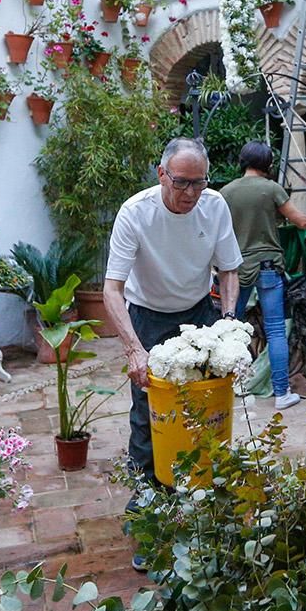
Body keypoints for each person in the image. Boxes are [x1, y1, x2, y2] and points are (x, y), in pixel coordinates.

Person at [102, 137, 243, 499]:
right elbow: (112, 289)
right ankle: (148, 508)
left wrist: (227, 323)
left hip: (197, 314)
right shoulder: (135, 212)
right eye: (181, 182)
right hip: (148, 315)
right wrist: (134, 349)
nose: (191, 192)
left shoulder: (215, 206)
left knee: (206, 406)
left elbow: (228, 270)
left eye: (199, 182)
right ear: (162, 174)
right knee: (148, 413)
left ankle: (203, 493)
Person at [220, 140, 306, 412]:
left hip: (236, 268)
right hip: (268, 267)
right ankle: (281, 393)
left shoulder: (226, 192)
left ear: (243, 161)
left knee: (232, 329)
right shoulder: (271, 189)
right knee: (276, 329)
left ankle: (234, 387)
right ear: (267, 164)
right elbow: (300, 221)